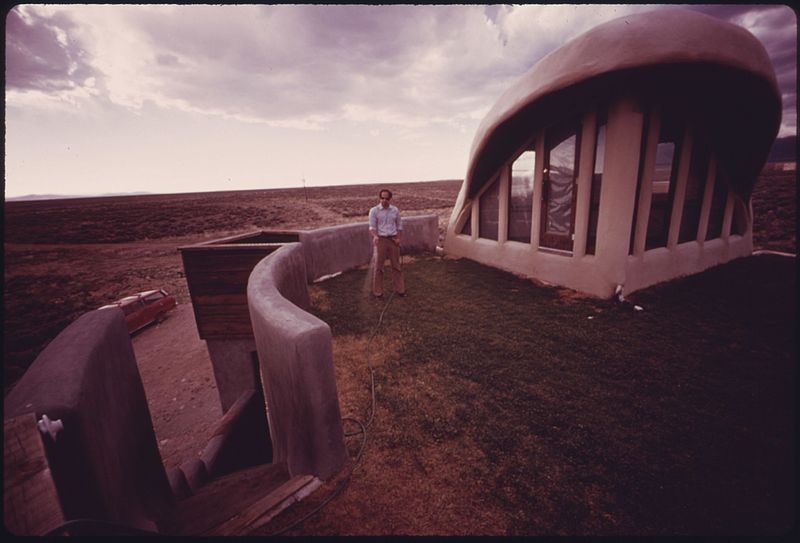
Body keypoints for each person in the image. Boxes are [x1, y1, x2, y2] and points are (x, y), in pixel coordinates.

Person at [368, 189, 406, 298]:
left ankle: (400, 290)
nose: (384, 200)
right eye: (382, 198)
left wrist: (398, 238)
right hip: (381, 240)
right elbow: (372, 227)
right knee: (379, 267)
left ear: (390, 199)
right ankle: (378, 292)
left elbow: (399, 226)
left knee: (396, 266)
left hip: (393, 240)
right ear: (379, 198)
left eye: (387, 198)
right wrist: (375, 236)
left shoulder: (395, 210)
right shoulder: (374, 211)